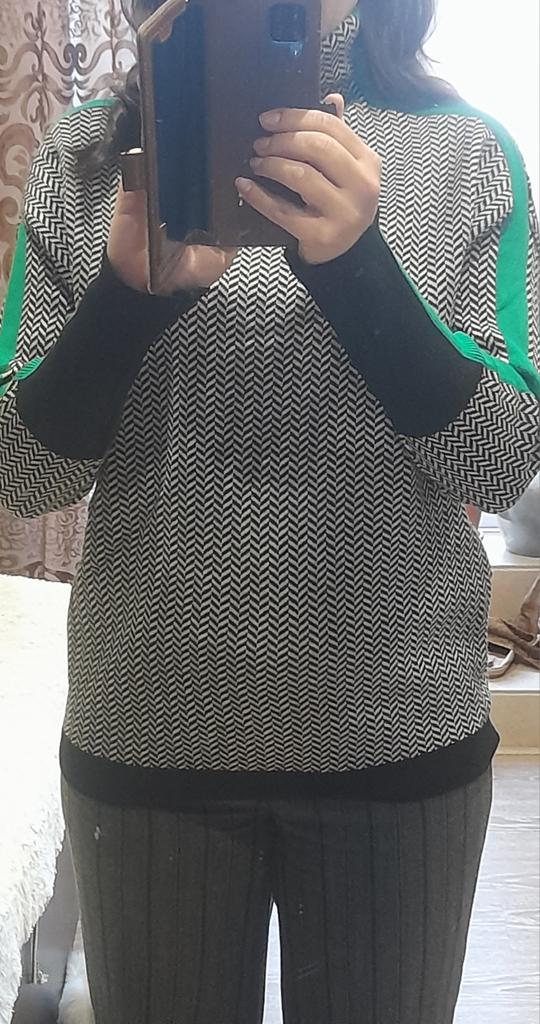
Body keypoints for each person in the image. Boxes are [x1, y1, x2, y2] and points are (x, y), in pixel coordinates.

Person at [1, 0, 539, 1020]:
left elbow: (504, 462)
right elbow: (21, 477)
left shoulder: (469, 155)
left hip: (396, 736)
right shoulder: (85, 158)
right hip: (148, 730)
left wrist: (359, 269)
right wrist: (127, 303)